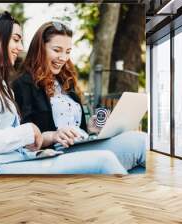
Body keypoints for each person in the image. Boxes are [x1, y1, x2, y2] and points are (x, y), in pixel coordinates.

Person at [0, 12, 127, 174]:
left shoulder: (1, 84)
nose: (21, 47)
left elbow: (15, 137)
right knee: (105, 161)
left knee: (136, 142)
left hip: (16, 159)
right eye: (16, 39)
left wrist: (46, 137)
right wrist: (29, 132)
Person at [12, 21, 146, 172]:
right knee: (141, 142)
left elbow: (77, 127)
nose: (63, 58)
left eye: (68, 51)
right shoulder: (23, 84)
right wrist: (53, 135)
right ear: (40, 48)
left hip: (82, 145)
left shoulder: (65, 82)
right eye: (57, 50)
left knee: (138, 167)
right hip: (58, 153)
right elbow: (24, 136)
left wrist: (92, 128)